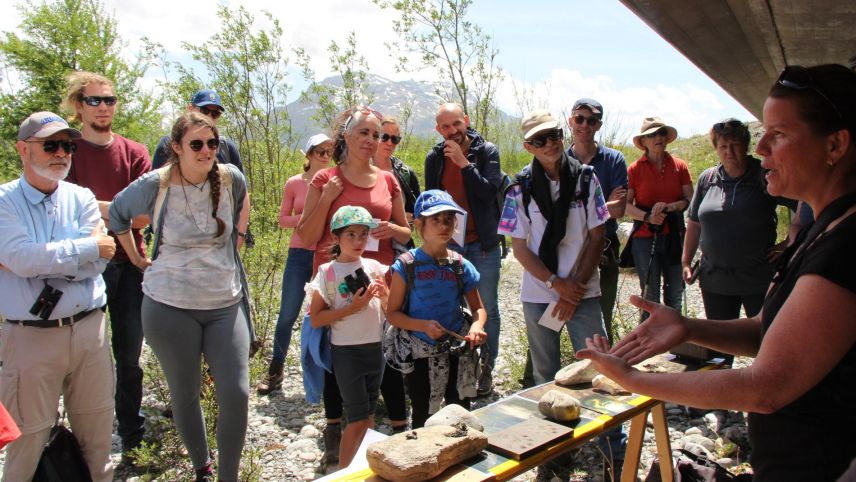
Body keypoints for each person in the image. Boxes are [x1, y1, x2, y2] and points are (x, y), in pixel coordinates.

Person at [579, 64, 856, 482]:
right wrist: (689, 327)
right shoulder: (827, 227)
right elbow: (766, 332)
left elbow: (765, 387)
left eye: (778, 134)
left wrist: (634, 380)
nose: (761, 146)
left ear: (835, 144)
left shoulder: (846, 247)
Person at [109, 112, 252, 482]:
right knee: (185, 393)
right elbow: (118, 215)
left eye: (212, 143)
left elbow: (240, 206)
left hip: (224, 303)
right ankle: (202, 468)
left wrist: (236, 241)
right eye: (196, 144)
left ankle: (229, 477)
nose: (206, 151)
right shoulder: (156, 184)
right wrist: (138, 259)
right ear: (176, 147)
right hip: (169, 305)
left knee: (237, 393)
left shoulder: (230, 178)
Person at [498, 111, 625, 478]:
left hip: (583, 291)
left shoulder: (586, 178)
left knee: (601, 366)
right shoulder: (519, 188)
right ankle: (552, 454)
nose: (550, 143)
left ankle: (613, 451)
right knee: (545, 373)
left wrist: (574, 289)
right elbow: (520, 248)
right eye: (540, 140)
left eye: (554, 135)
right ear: (528, 147)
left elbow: (597, 236)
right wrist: (557, 285)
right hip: (540, 293)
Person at [0, 112, 116, 482]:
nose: (62, 153)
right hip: (29, 338)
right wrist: (86, 248)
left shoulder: (82, 197)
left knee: (98, 448)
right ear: (23, 149)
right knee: (27, 448)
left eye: (67, 146)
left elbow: (100, 260)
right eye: (50, 145)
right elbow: (21, 257)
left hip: (90, 332)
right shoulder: (4, 201)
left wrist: (40, 260)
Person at [296, 105, 411, 465]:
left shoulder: (388, 180)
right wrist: (328, 198)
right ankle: (335, 428)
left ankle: (388, 428)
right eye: (364, 132)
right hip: (334, 279)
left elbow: (406, 232)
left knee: (382, 349)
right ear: (346, 135)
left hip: (379, 276)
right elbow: (306, 235)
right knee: (336, 352)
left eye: (376, 135)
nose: (371, 140)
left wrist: (391, 229)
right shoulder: (325, 179)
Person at [60, 71, 150, 461]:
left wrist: (89, 204)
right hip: (83, 265)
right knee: (82, 356)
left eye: (109, 100)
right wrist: (119, 210)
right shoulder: (65, 150)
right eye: (94, 100)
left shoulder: (134, 152)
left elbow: (145, 214)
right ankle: (76, 441)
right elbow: (61, 209)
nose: (102, 107)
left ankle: (132, 434)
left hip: (130, 264)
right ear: (78, 106)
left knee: (129, 356)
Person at [682, 119, 796, 364]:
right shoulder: (708, 179)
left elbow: (804, 203)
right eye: (723, 146)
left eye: (735, 145)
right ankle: (720, 388)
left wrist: (789, 242)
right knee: (719, 347)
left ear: (746, 146)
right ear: (716, 148)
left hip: (758, 277)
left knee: (767, 343)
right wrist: (686, 261)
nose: (729, 152)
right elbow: (694, 223)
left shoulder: (763, 175)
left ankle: (767, 387)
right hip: (716, 279)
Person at [387, 189, 488, 428]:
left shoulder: (460, 265)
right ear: (419, 225)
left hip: (456, 348)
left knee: (460, 410)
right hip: (420, 353)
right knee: (422, 413)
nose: (444, 226)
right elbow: (392, 314)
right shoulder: (406, 266)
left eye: (449, 219)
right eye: (435, 220)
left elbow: (479, 309)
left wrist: (477, 327)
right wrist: (422, 326)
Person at [425, 102, 502, 395]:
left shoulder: (486, 152)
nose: (452, 130)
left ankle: (486, 369)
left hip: (483, 244)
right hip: (450, 245)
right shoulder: (434, 157)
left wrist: (463, 164)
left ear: (466, 120)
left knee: (487, 308)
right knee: (449, 306)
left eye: (456, 123)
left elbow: (488, 194)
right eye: (445, 126)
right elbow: (431, 201)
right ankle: (456, 369)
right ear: (438, 129)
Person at [308, 205, 389, 468]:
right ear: (337, 237)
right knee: (356, 419)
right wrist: (352, 308)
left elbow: (389, 310)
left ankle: (362, 469)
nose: (358, 241)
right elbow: (316, 318)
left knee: (368, 417)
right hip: (346, 353)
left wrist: (383, 295)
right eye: (351, 235)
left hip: (375, 349)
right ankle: (343, 473)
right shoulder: (327, 272)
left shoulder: (373, 267)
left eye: (363, 234)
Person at [256, 133, 333, 395]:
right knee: (288, 314)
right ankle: (275, 369)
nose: (325, 156)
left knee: (326, 314)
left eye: (329, 152)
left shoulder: (335, 182)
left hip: (326, 253)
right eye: (320, 152)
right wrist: (311, 215)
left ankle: (328, 375)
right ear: (309, 154)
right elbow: (282, 220)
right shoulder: (294, 183)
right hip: (299, 253)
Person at [566, 98, 627, 342]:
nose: (584, 125)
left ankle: (603, 363)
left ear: (599, 125)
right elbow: (552, 211)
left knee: (603, 315)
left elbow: (619, 209)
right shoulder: (558, 160)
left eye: (591, 120)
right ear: (570, 121)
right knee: (553, 314)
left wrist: (573, 209)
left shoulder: (614, 160)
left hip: (605, 248)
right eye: (579, 118)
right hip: (565, 248)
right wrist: (602, 207)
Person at [625, 116, 693, 313]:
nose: (658, 138)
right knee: (650, 297)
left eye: (661, 133)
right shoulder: (634, 169)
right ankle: (650, 333)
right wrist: (648, 217)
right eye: (652, 135)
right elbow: (625, 206)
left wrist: (670, 207)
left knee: (675, 294)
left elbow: (690, 200)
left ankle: (675, 331)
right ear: (643, 141)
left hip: (674, 236)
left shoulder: (679, 166)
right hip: (644, 238)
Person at [151, 89, 243, 172]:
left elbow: (241, 186)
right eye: (204, 111)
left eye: (215, 113)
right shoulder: (168, 145)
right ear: (190, 109)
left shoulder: (227, 147)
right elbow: (156, 182)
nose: (209, 117)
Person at [375, 116, 421, 220]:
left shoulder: (406, 173)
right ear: (375, 136)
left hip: (399, 230)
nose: (389, 143)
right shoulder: (361, 168)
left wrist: (412, 216)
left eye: (394, 139)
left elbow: (419, 208)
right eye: (384, 137)